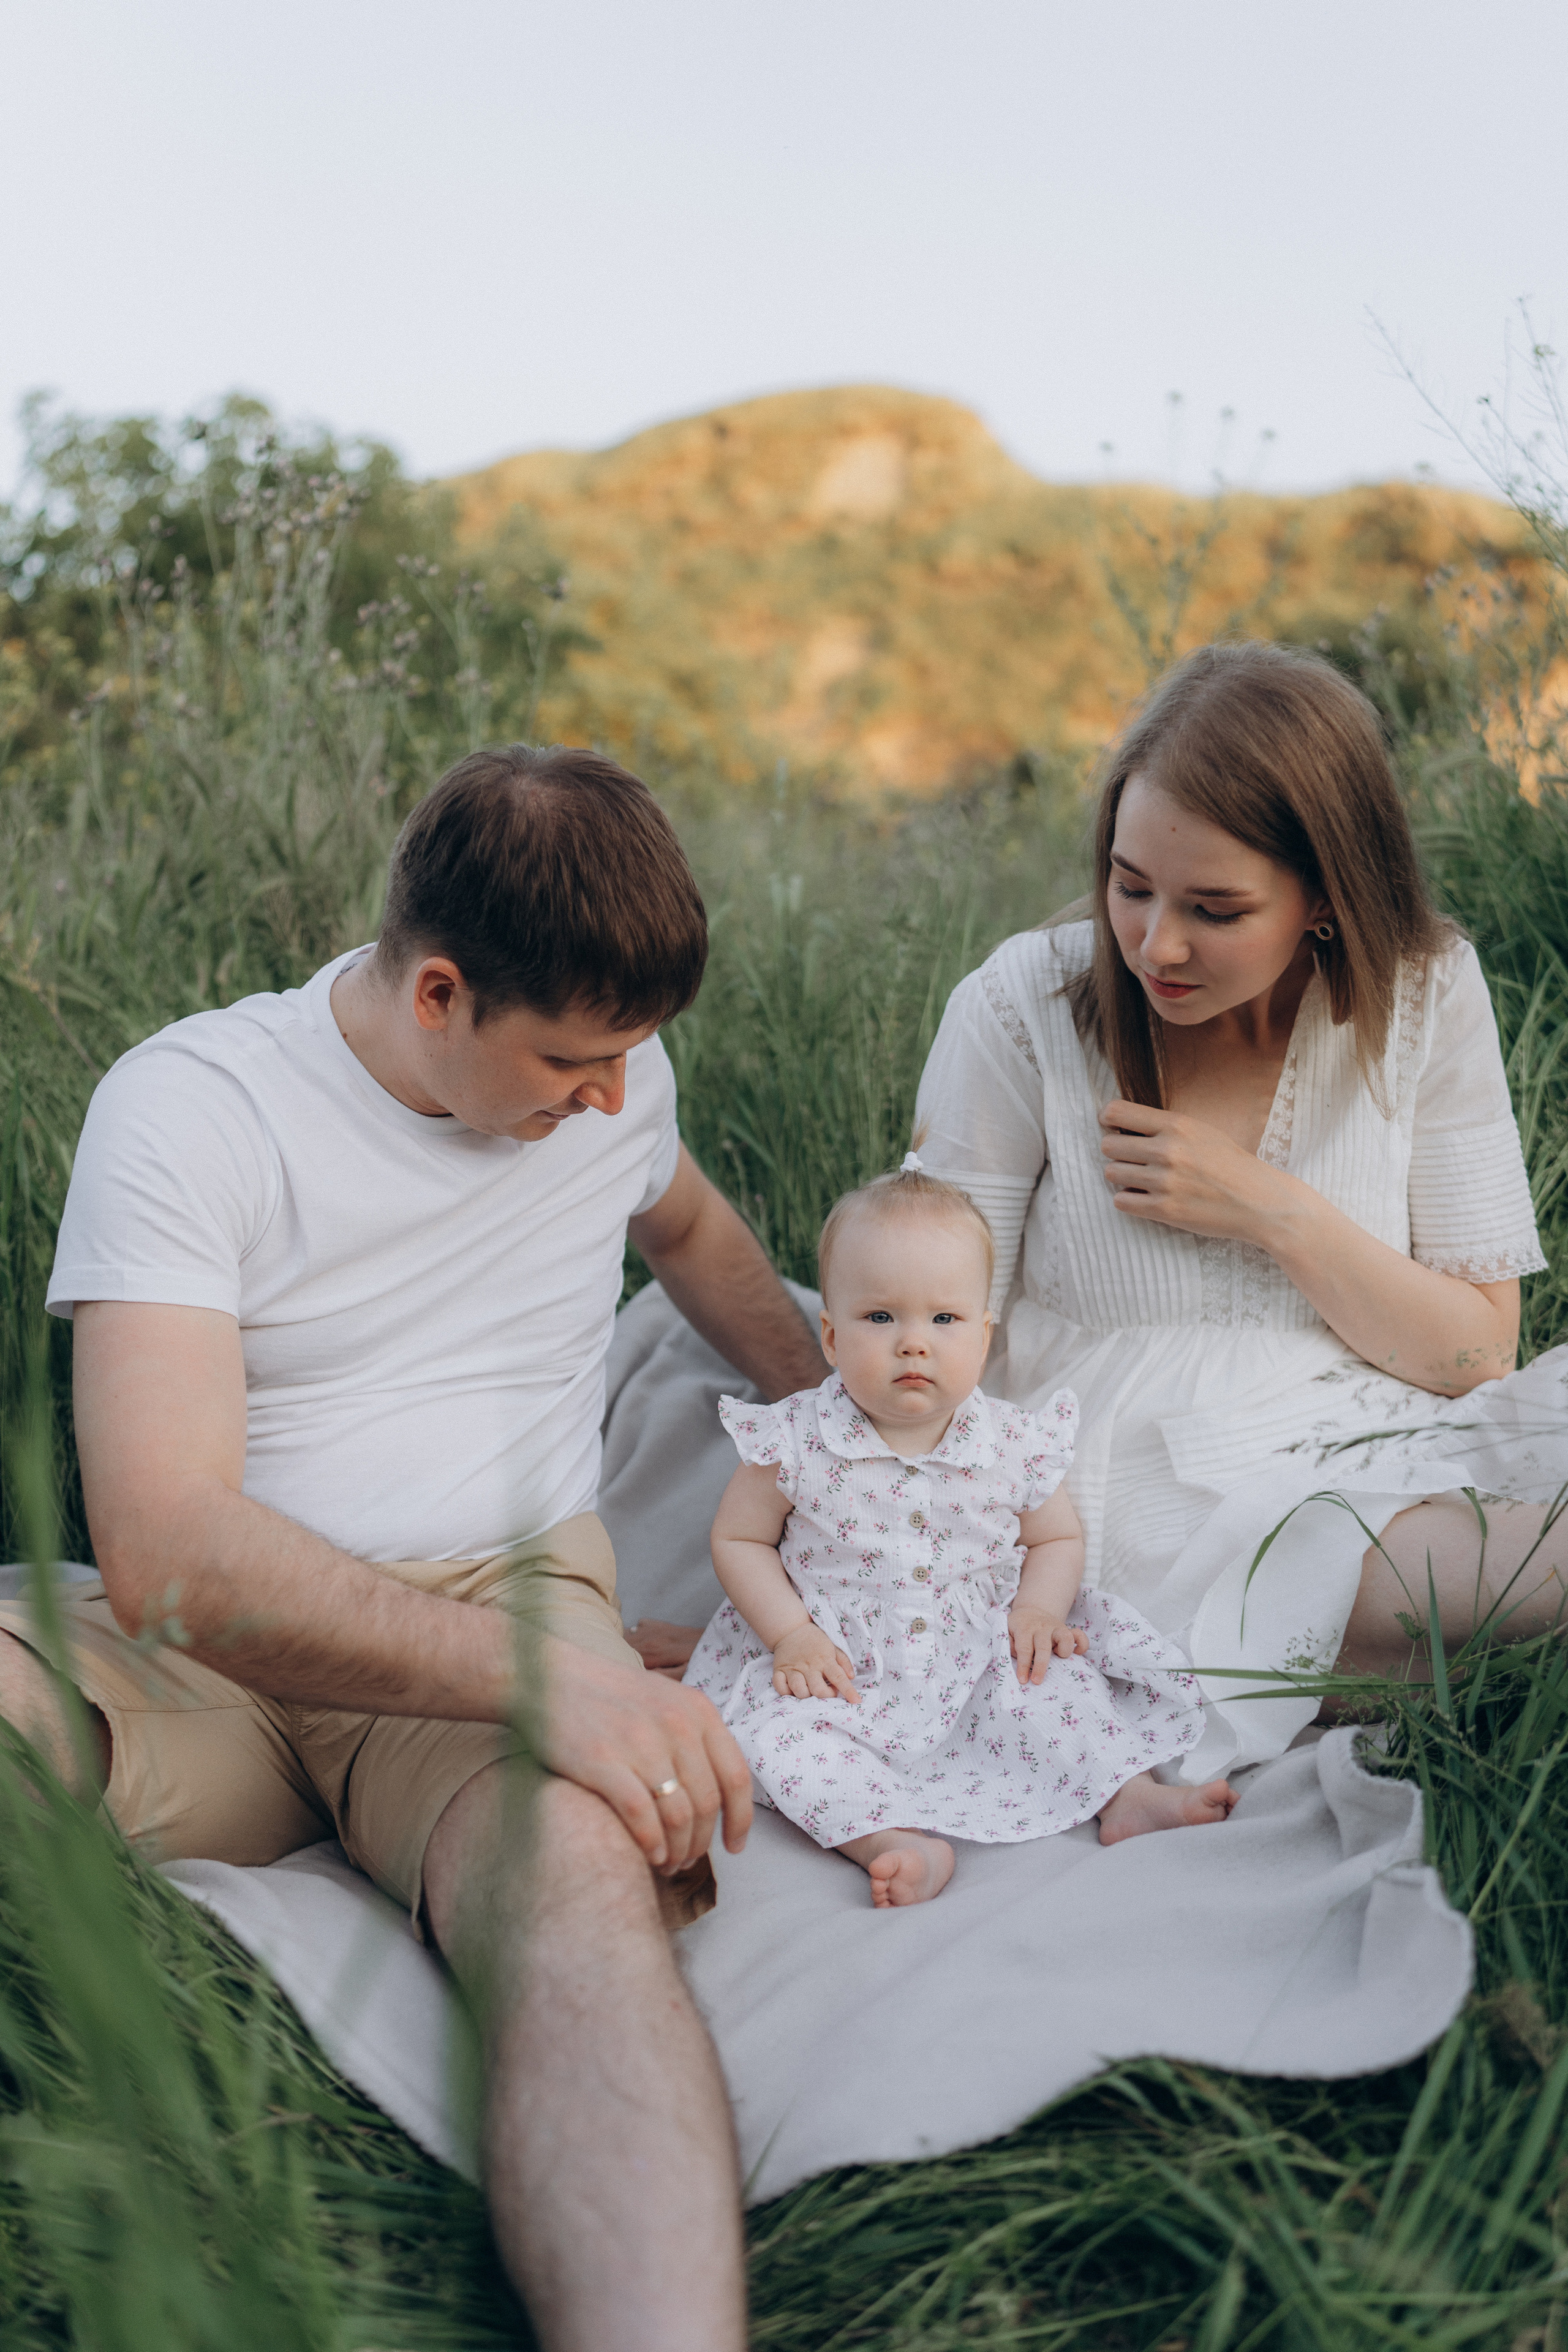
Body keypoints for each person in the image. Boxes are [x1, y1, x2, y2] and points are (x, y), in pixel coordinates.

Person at [0, 744, 829, 2352]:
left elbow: (698, 1239)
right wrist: (568, 1692)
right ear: (439, 992)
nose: (604, 1100)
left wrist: (843, 1448)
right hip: (204, 1640)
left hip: (499, 1601)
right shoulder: (195, 1108)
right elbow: (167, 1555)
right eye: (572, 1061)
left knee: (580, 1895)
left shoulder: (617, 1085)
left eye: (627, 1062)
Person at [912, 639, 1567, 1777]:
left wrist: (1274, 1210)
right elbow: (921, 1325)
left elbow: (1476, 1349)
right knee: (1528, 1573)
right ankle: (1330, 1660)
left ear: (1325, 895)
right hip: (1140, 1476)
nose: (1157, 944)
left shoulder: (1423, 994)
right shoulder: (1024, 1005)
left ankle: (1363, 1665)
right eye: (1130, 886)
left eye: (1215, 909)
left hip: (1381, 1430)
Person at [684, 1155, 1232, 1909]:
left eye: (943, 1320)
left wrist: (1036, 1610)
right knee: (774, 1740)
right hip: (839, 1659)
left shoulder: (1010, 1444)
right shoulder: (796, 1440)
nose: (915, 1342)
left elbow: (1055, 1538)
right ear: (832, 1335)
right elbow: (739, 1540)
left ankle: (1126, 1795)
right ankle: (889, 1839)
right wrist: (789, 1635)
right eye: (881, 1317)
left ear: (982, 1334)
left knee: (1055, 1690)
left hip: (975, 1650)